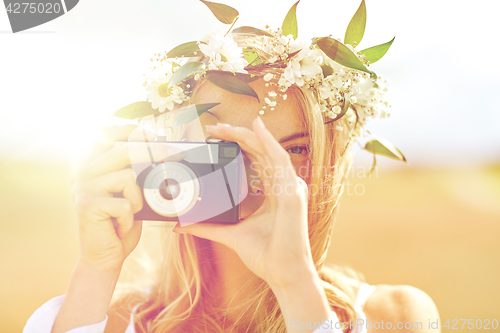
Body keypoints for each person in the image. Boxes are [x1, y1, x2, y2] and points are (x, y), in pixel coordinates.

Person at [24, 7, 440, 333]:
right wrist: (96, 271)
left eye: (294, 148)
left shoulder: (397, 316)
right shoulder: (106, 318)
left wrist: (295, 284)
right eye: (227, 145)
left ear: (329, 161)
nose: (261, 169)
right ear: (172, 153)